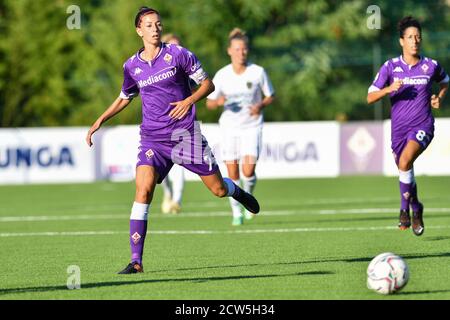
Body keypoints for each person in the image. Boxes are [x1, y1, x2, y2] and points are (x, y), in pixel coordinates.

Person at [86, 7, 260, 274]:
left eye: (158, 23)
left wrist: (189, 100)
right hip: (152, 139)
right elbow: (125, 96)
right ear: (139, 30)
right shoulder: (131, 66)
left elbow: (208, 85)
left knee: (218, 191)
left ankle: (237, 192)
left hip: (185, 136)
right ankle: (136, 261)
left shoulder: (178, 54)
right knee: (143, 189)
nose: (155, 28)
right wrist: (100, 120)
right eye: (149, 24)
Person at [367, 16, 448, 236]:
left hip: (423, 125)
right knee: (405, 169)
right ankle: (416, 207)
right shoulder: (390, 67)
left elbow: (445, 80)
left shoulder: (430, 66)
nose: (415, 41)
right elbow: (370, 96)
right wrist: (388, 89)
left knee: (405, 161)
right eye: (410, 37)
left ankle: (403, 211)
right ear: (401, 41)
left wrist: (439, 97)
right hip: (398, 131)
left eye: (418, 37)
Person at [206, 28, 275, 226]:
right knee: (233, 173)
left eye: (244, 49)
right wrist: (218, 102)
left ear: (248, 50)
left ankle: (248, 199)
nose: (241, 53)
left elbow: (271, 95)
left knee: (248, 171)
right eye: (237, 49)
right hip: (229, 128)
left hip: (252, 126)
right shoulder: (222, 75)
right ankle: (236, 212)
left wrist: (260, 105)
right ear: (229, 51)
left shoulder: (258, 72)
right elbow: (209, 102)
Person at [159, 33, 185, 214]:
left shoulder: (186, 66)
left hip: (183, 124)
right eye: (171, 45)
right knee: (162, 171)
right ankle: (168, 193)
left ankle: (176, 201)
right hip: (160, 125)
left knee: (180, 163)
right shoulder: (155, 69)